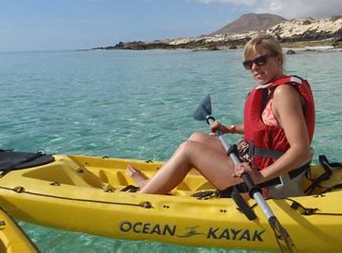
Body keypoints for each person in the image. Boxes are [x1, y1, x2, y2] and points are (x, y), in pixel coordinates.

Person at [127, 34, 315, 198]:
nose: (254, 68)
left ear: (279, 59)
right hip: (256, 165)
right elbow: (267, 127)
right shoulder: (271, 91)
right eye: (248, 64)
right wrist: (229, 129)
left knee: (188, 149)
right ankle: (155, 184)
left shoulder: (283, 93)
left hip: (272, 182)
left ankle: (144, 194)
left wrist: (261, 176)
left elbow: (301, 150)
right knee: (196, 138)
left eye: (261, 61)